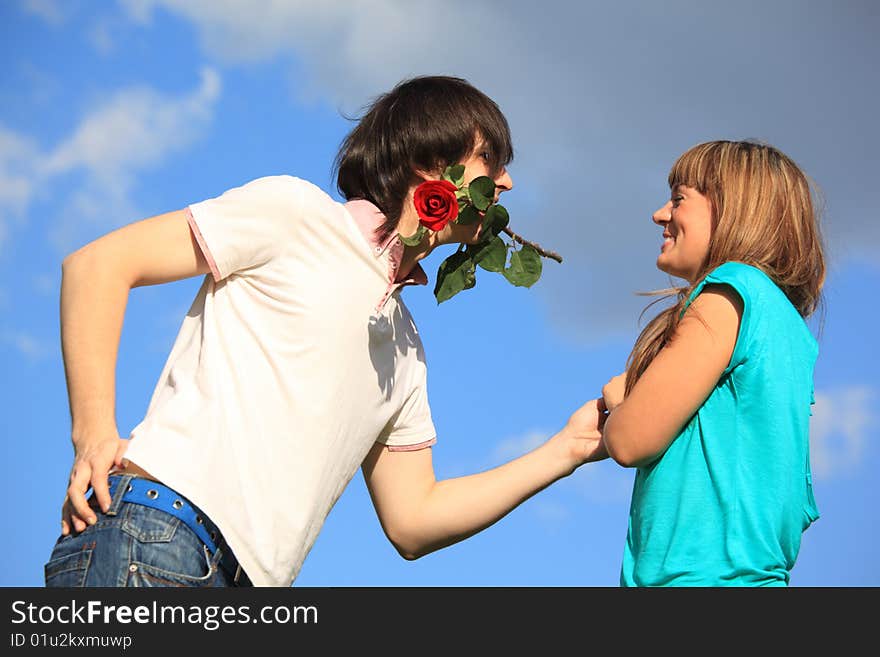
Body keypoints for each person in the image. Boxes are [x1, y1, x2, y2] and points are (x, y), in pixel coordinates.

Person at [45, 75, 607, 587]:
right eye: (491, 159)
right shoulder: (296, 213)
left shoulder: (406, 347)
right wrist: (93, 432)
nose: (507, 181)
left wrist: (568, 449)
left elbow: (413, 520)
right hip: (159, 532)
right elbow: (97, 266)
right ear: (431, 165)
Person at [601, 140, 825, 586]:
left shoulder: (729, 290)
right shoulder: (786, 328)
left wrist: (621, 402)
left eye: (679, 199)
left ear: (734, 210)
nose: (660, 214)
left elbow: (628, 442)